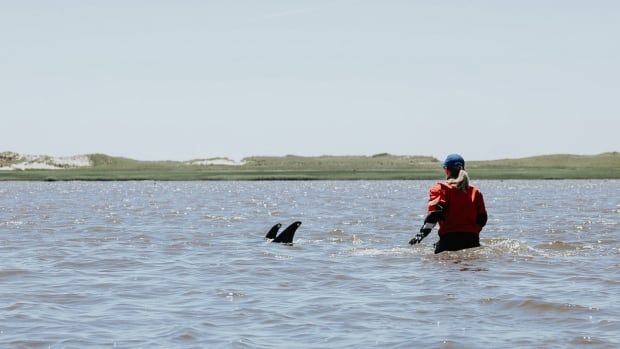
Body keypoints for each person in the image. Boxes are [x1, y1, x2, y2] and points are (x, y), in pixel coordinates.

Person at [409, 154, 487, 253]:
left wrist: (421, 235)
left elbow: (434, 215)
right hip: (473, 241)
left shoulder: (441, 189)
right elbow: (482, 220)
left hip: (448, 242)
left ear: (446, 170)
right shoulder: (475, 192)